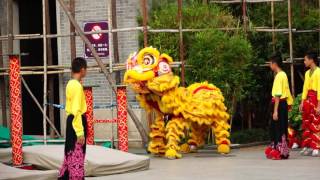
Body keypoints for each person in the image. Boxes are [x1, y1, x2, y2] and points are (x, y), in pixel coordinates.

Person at [59, 57, 88, 179]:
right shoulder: (76, 86)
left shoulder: (70, 84)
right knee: (77, 155)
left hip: (71, 121)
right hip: (77, 122)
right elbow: (76, 110)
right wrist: (80, 132)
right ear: (82, 70)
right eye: (86, 69)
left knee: (70, 155)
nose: (86, 72)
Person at [265, 53, 293, 160]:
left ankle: (279, 151)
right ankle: (282, 151)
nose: (269, 65)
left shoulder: (279, 76)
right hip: (283, 104)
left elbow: (277, 94)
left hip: (279, 104)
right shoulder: (284, 74)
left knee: (276, 128)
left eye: (270, 63)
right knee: (281, 127)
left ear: (274, 64)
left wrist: (275, 111)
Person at [299, 51, 320, 157]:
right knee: (307, 123)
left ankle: (316, 146)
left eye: (305, 59)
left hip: (316, 99)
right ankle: (308, 146)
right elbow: (305, 88)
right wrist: (302, 102)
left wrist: (319, 105)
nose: (304, 62)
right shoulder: (307, 73)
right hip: (308, 99)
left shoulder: (319, 72)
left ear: (311, 60)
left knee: (316, 123)